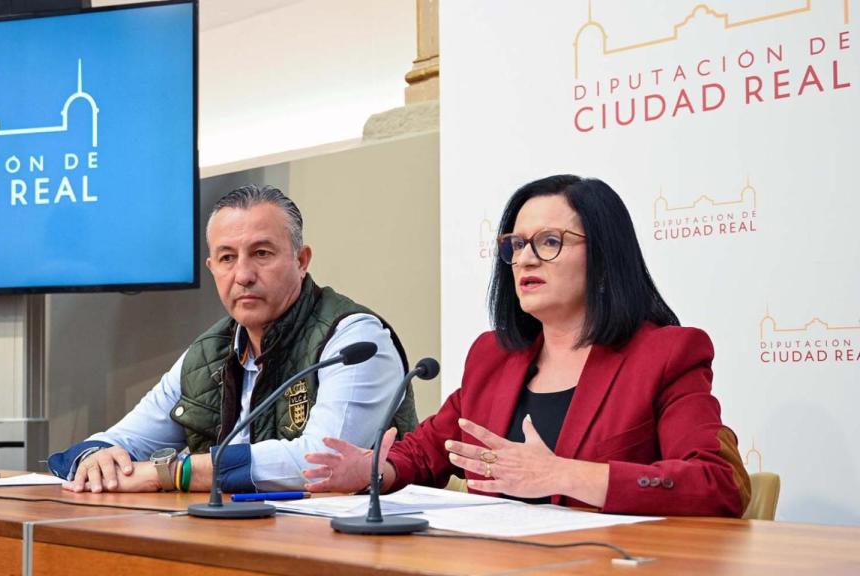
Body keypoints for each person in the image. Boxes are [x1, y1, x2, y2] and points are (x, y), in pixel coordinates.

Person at [304, 175, 751, 517]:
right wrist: (378, 470)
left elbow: (717, 483)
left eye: (550, 242)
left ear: (604, 258)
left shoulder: (666, 355)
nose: (525, 258)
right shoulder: (494, 357)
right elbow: (429, 449)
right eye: (516, 245)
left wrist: (564, 474)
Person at [49, 185, 417, 493]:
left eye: (261, 253)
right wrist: (93, 459)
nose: (243, 275)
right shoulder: (209, 352)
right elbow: (123, 440)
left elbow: (322, 464)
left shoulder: (355, 341)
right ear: (212, 269)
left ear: (301, 260)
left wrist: (174, 472)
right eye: (227, 258)